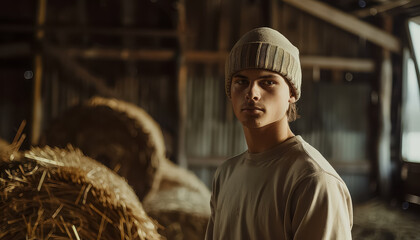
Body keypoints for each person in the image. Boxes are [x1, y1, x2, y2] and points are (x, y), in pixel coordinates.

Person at [204, 27, 353, 240]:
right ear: (230, 90)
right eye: (241, 81)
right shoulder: (225, 175)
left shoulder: (313, 181)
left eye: (268, 82)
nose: (252, 93)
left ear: (292, 92)